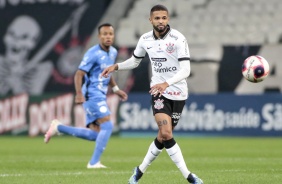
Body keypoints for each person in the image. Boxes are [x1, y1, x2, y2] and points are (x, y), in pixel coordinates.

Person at [101, 4, 203, 184]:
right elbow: (134, 61)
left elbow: (186, 70)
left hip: (178, 93)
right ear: (150, 20)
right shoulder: (145, 39)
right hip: (158, 92)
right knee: (166, 133)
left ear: (168, 19)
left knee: (163, 137)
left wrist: (167, 83)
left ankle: (139, 171)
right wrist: (116, 66)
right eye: (157, 18)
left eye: (164, 18)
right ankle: (189, 176)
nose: (161, 21)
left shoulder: (178, 39)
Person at [44, 23, 128, 169]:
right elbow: (79, 74)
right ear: (99, 36)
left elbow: (108, 72)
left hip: (101, 95)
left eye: (110, 34)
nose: (108, 37)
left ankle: (59, 128)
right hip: (91, 95)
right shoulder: (92, 53)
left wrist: (115, 89)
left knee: (96, 135)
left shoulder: (113, 52)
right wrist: (78, 94)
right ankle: (94, 163)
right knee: (107, 125)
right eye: (105, 34)